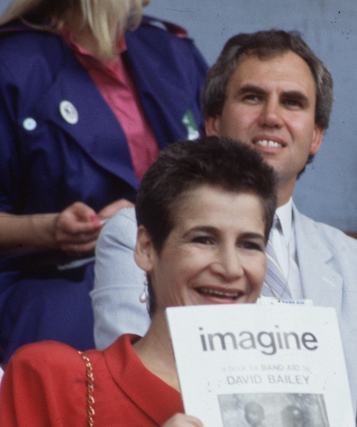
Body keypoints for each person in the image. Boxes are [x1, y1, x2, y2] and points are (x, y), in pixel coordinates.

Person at [90, 29, 357, 427]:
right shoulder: (136, 230)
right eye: (253, 97)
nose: (272, 117)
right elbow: (130, 376)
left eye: (293, 103)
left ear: (316, 137)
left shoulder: (356, 262)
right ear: (214, 123)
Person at [0, 137, 357, 427]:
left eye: (249, 245)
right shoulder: (52, 379)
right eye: (203, 239)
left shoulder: (296, 411)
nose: (230, 268)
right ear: (146, 248)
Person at [0, 0, 208, 362]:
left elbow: (225, 175)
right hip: (59, 283)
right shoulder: (12, 64)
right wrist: (49, 229)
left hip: (181, 270)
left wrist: (153, 212)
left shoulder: (170, 51)